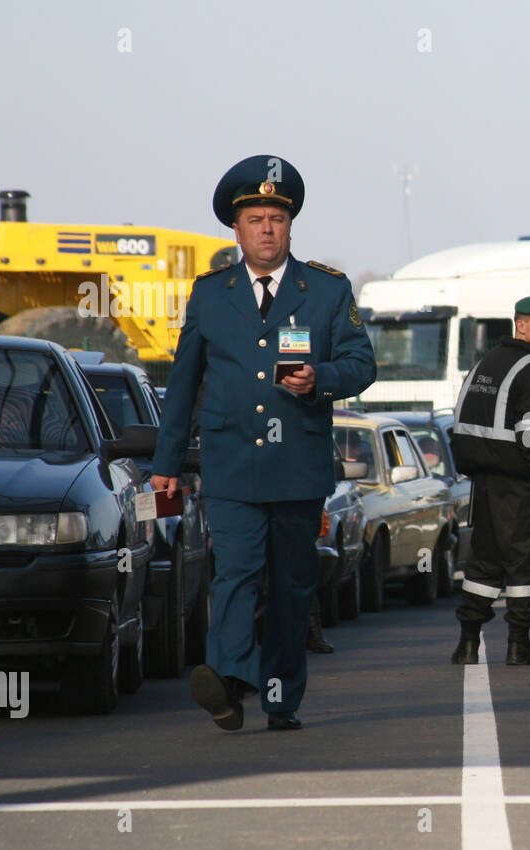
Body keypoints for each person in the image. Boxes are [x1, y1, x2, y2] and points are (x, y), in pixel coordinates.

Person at [152, 154, 376, 731]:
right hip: (230, 467)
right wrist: (166, 463)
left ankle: (279, 697)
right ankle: (227, 681)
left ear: (291, 223)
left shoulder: (325, 290)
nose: (267, 228)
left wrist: (320, 378)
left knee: (291, 586)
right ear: (237, 227)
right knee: (236, 573)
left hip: (298, 467)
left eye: (276, 216)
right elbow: (182, 386)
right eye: (255, 218)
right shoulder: (210, 295)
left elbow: (360, 361)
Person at [450, 295, 530, 665]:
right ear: (520, 325)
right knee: (525, 563)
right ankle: (519, 645)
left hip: (483, 484)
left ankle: (467, 643)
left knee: (484, 562)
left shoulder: (484, 365)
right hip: (520, 485)